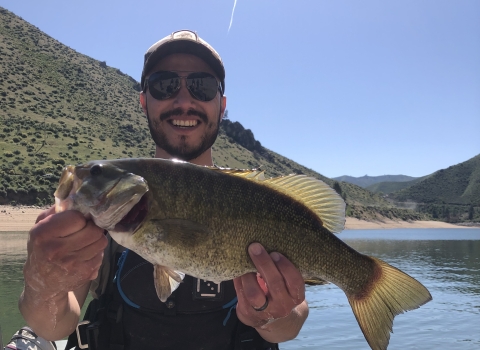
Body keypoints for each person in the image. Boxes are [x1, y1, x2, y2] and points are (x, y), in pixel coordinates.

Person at [18, 30, 309, 350]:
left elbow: (291, 322)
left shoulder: (255, 199)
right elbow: (54, 325)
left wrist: (272, 315)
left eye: (202, 85)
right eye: (164, 84)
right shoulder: (104, 212)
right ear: (144, 101)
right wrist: (42, 286)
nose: (184, 101)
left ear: (221, 105)